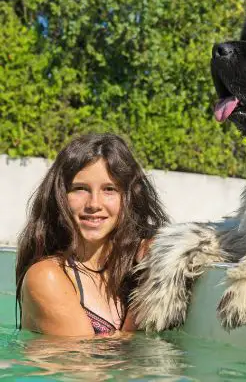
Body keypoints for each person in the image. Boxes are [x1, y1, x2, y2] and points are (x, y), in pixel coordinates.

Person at [15, 133, 169, 336]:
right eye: (80, 189)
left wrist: (158, 256)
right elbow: (88, 364)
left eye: (109, 189)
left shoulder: (136, 264)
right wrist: (148, 285)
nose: (94, 204)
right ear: (60, 196)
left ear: (129, 198)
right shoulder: (46, 277)